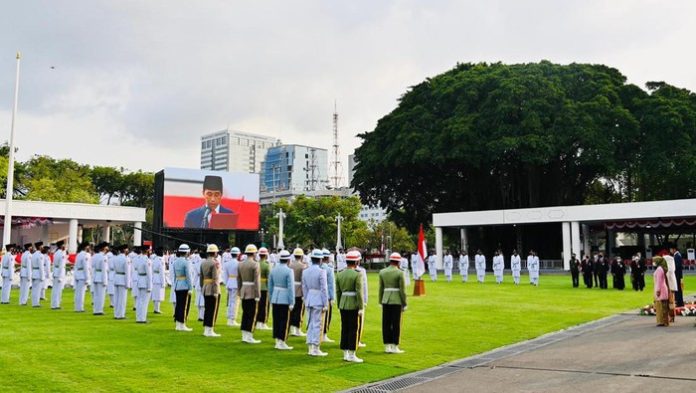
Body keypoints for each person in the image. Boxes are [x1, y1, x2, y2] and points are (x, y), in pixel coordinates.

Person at [335, 250, 364, 363]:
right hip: (353, 303)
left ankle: (345, 352)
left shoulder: (340, 273)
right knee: (353, 328)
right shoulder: (357, 274)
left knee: (345, 328)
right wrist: (361, 307)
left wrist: (339, 304)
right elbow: (359, 292)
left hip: (343, 303)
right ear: (356, 262)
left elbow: (338, 292)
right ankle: (352, 353)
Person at [302, 249, 329, 356]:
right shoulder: (322, 271)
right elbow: (324, 289)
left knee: (310, 323)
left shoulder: (305, 271)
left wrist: (306, 298)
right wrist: (325, 303)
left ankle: (310, 347)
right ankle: (315, 348)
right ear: (320, 260)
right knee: (317, 324)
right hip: (318, 299)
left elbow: (304, 287)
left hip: (309, 298)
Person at [380, 252, 407, 354]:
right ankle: (395, 346)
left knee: (386, 323)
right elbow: (402, 290)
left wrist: (380, 301)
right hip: (396, 300)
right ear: (398, 262)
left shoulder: (382, 272)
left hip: (385, 299)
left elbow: (381, 289)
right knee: (396, 324)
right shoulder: (400, 273)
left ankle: (387, 346)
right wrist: (404, 303)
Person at [268, 250, 295, 350]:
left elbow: (270, 286)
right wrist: (292, 302)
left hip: (275, 297)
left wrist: (271, 298)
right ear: (288, 260)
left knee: (276, 320)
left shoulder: (273, 269)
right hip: (285, 298)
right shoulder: (289, 271)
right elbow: (290, 287)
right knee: (284, 320)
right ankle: (282, 341)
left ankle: (277, 341)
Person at [238, 244, 262, 344]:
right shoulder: (255, 264)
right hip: (252, 290)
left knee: (245, 313)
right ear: (254, 253)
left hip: (244, 289)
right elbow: (257, 281)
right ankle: (249, 335)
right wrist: (258, 294)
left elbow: (238, 279)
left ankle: (244, 335)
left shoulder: (241, 264)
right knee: (252, 314)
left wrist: (240, 291)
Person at [200, 244, 222, 336]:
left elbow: (201, 278)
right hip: (212, 288)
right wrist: (216, 291)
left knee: (207, 309)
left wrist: (202, 287)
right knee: (212, 309)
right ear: (214, 253)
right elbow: (215, 278)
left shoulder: (203, 262)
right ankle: (210, 330)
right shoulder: (214, 263)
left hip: (205, 287)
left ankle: (206, 329)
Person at [171, 244, 193, 331]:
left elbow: (174, 275)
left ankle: (177, 324)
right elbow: (188, 276)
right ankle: (182, 324)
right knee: (183, 306)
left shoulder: (175, 261)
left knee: (178, 305)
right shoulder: (186, 262)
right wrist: (190, 288)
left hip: (177, 284)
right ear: (187, 252)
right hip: (184, 285)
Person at [289, 247, 307, 336]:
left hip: (291, 288)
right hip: (299, 289)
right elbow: (304, 280)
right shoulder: (303, 266)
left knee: (292, 310)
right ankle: (297, 329)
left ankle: (292, 328)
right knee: (299, 310)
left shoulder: (290, 265)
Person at [133, 246, 152, 323]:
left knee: (139, 301)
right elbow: (149, 274)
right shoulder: (147, 260)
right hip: (145, 281)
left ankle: (138, 318)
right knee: (144, 302)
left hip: (139, 280)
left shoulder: (138, 259)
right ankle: (142, 319)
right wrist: (150, 286)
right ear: (147, 251)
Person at [222, 246, 240, 327]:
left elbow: (225, 276)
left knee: (230, 302)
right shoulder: (239, 264)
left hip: (229, 282)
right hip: (235, 283)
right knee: (234, 302)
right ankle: (232, 319)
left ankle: (229, 318)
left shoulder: (227, 263)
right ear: (238, 254)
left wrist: (226, 284)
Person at [111, 245, 130, 320]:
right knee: (122, 299)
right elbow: (127, 272)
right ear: (125, 250)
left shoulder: (116, 258)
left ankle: (116, 314)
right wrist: (127, 284)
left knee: (116, 298)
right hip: (122, 278)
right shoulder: (126, 259)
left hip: (116, 278)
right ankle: (121, 315)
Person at [321, 248, 336, 343]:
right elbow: (331, 284)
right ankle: (324, 334)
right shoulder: (328, 269)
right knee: (326, 316)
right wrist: (332, 297)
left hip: (316, 295)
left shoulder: (316, 267)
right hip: (326, 296)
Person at [255, 247, 272, 331]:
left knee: (258, 305)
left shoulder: (256, 263)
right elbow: (269, 278)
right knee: (265, 306)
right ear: (265, 255)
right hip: (264, 287)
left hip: (256, 287)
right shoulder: (266, 265)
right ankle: (263, 322)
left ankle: (258, 322)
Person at [91, 242, 110, 315]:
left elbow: (92, 266)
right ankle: (99, 310)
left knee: (96, 295)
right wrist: (105, 281)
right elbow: (104, 269)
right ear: (104, 248)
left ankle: (95, 309)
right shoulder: (103, 257)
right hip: (101, 277)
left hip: (96, 276)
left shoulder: (95, 256)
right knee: (101, 295)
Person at [355, 254, 369, 348]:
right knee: (359, 323)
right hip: (358, 300)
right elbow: (364, 287)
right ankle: (357, 341)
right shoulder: (361, 271)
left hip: (346, 300)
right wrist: (365, 300)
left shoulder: (342, 271)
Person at [74, 242, 91, 312]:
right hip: (82, 275)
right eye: (88, 247)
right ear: (85, 247)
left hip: (78, 274)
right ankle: (80, 308)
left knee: (78, 293)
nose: (89, 248)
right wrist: (87, 278)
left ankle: (77, 307)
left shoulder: (79, 254)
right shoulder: (85, 255)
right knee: (81, 293)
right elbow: (86, 267)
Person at [653, 256, 670, 326]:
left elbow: (659, 281)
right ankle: (664, 321)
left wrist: (658, 290)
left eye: (654, 261)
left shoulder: (659, 269)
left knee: (662, 307)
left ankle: (662, 321)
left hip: (661, 289)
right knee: (663, 306)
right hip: (662, 288)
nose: (653, 263)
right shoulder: (661, 268)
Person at [51, 241, 67, 309]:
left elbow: (54, 264)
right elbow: (61, 266)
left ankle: (54, 304)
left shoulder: (56, 253)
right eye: (64, 245)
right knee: (58, 290)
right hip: (59, 273)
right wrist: (60, 276)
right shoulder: (61, 254)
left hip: (56, 272)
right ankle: (56, 305)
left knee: (55, 289)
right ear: (61, 246)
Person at [31, 243, 47, 307]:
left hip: (34, 272)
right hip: (38, 273)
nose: (43, 247)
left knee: (34, 289)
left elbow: (31, 265)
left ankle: (34, 302)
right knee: (37, 289)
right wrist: (42, 276)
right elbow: (41, 267)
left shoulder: (33, 254)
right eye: (42, 246)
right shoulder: (40, 255)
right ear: (40, 247)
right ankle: (36, 303)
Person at [151, 247, 166, 314]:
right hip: (159, 278)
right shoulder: (160, 260)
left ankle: (155, 308)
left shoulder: (153, 259)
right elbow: (162, 272)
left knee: (155, 294)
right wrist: (163, 282)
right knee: (158, 295)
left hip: (154, 277)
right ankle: (157, 309)